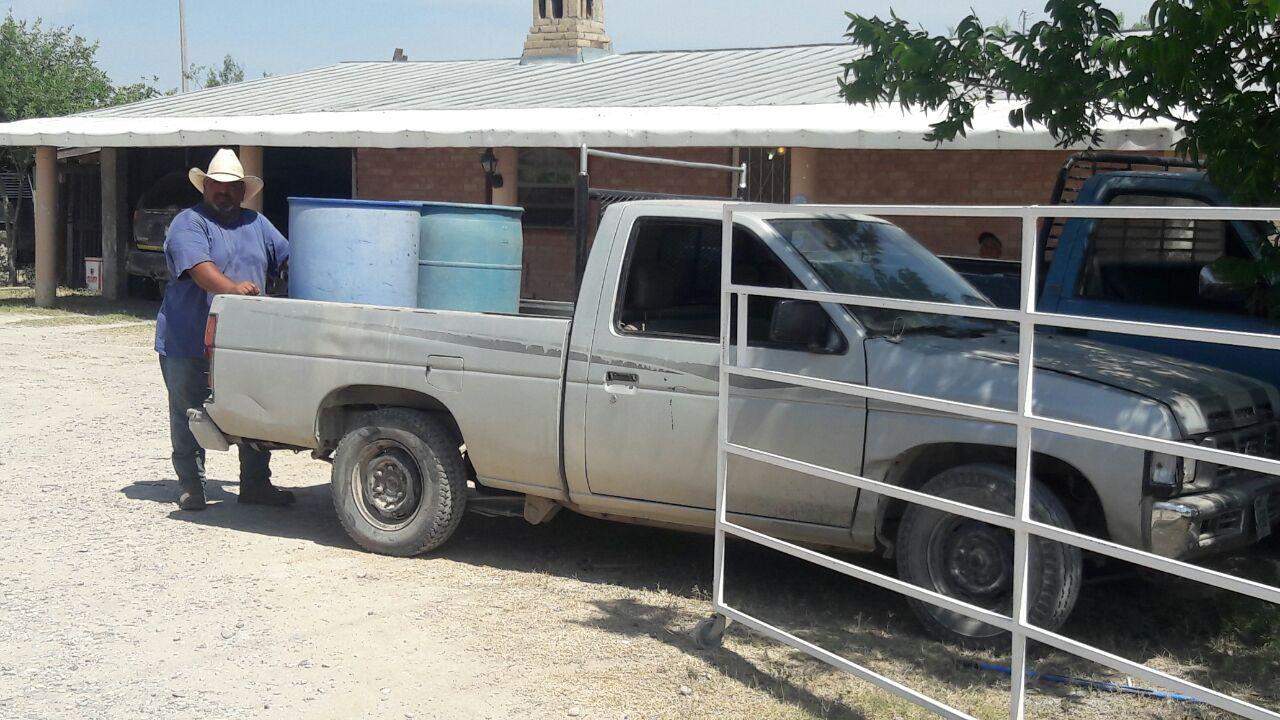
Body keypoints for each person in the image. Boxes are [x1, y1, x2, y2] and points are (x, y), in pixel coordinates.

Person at [155, 148, 294, 511]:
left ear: (243, 191)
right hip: (189, 338)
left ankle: (256, 484)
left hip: (245, 342)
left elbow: (288, 257)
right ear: (205, 186)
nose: (224, 191)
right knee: (188, 412)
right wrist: (233, 289)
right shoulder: (189, 223)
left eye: (232, 186)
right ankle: (191, 485)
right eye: (217, 184)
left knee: (254, 411)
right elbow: (200, 269)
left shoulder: (256, 223)